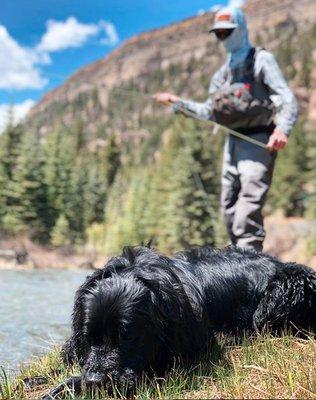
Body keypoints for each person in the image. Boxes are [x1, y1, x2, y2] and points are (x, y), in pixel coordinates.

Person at [154, 7, 298, 252]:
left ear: (240, 29)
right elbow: (208, 112)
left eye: (227, 32)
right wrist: (177, 103)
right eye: (218, 34)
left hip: (258, 142)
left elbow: (287, 99)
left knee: (246, 211)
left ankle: (251, 268)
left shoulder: (261, 60)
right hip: (231, 145)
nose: (223, 38)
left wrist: (282, 130)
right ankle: (237, 265)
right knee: (229, 209)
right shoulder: (221, 76)